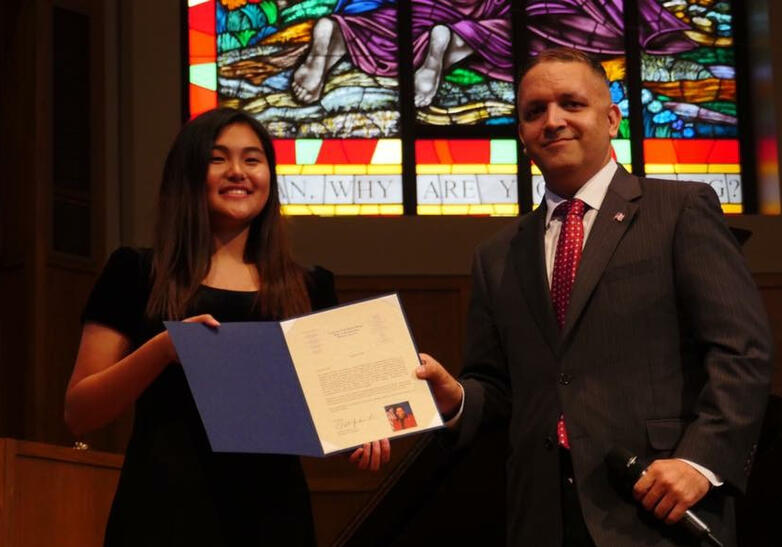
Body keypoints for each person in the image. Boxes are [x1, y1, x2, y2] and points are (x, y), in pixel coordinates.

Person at [416, 48, 772, 546]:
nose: (552, 121)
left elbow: (742, 351)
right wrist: (456, 399)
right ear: (522, 135)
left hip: (658, 505)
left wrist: (701, 460)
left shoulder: (679, 210)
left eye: (571, 104)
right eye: (534, 112)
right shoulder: (497, 255)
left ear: (611, 119)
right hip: (541, 516)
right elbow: (497, 387)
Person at [64, 107, 389, 546]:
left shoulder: (309, 285)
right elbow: (80, 412)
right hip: (164, 513)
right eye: (218, 159)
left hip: (274, 518)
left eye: (253, 160)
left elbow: (337, 409)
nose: (238, 172)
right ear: (188, 173)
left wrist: (365, 430)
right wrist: (164, 349)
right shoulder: (136, 272)